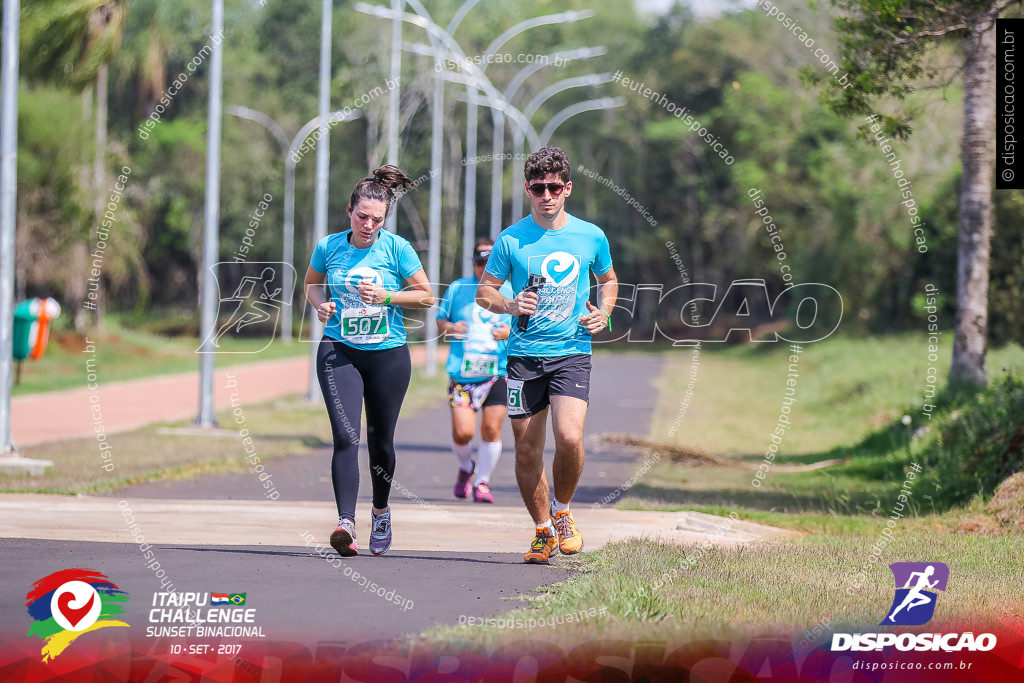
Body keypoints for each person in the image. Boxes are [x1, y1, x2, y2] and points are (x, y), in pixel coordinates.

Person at [476, 146, 618, 564]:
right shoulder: (511, 239)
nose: (546, 195)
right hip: (523, 357)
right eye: (538, 188)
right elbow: (485, 293)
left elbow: (608, 280)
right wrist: (510, 305)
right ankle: (542, 530)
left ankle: (563, 512)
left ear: (567, 189)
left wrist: (604, 315)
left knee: (570, 437)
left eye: (554, 187)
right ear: (528, 190)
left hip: (572, 351)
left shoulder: (591, 235)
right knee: (526, 449)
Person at [302, 165, 435, 557]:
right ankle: (346, 523)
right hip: (339, 349)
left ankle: (380, 510)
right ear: (349, 211)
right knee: (346, 436)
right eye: (362, 217)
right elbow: (311, 284)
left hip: (388, 355)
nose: (368, 225)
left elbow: (427, 296)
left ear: (385, 220)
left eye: (377, 220)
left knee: (380, 442)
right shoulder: (329, 246)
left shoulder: (397, 249)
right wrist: (320, 304)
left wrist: (388, 297)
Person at [436, 239, 514, 503]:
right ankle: (466, 467)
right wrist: (450, 327)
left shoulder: (511, 289)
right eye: (480, 263)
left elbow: (524, 327)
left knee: (492, 428)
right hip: (463, 375)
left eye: (489, 263)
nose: (483, 269)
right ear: (473, 264)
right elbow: (440, 320)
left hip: (498, 373)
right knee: (463, 433)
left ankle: (483, 481)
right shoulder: (458, 288)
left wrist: (508, 333)